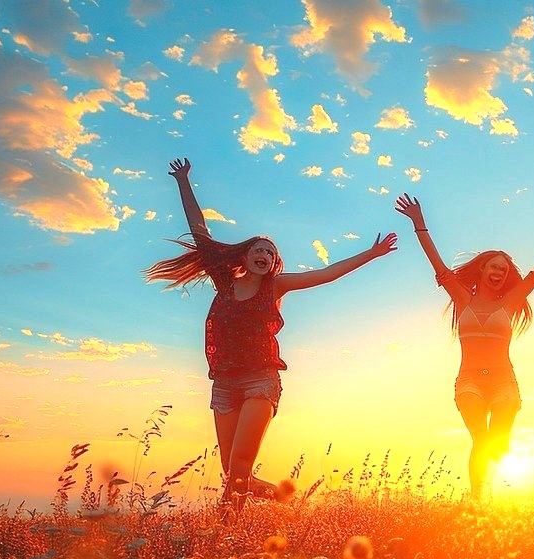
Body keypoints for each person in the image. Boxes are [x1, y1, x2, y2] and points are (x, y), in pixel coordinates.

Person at [147, 158, 397, 514]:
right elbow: (199, 231)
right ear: (245, 256)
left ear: (274, 262)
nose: (264, 255)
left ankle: (223, 535)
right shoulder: (225, 283)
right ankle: (288, 498)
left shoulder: (276, 287)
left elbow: (327, 274)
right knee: (234, 476)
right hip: (224, 384)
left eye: (270, 252)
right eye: (258, 250)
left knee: (239, 472)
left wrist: (371, 254)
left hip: (261, 381)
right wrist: (183, 182)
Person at [394, 193, 534, 498]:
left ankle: (490, 487)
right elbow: (439, 265)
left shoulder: (510, 302)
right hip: (469, 380)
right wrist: (419, 224)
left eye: (504, 270)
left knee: (497, 442)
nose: (499, 273)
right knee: (481, 440)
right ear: (482, 270)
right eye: (494, 267)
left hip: (503, 381)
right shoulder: (462, 299)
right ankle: (477, 499)